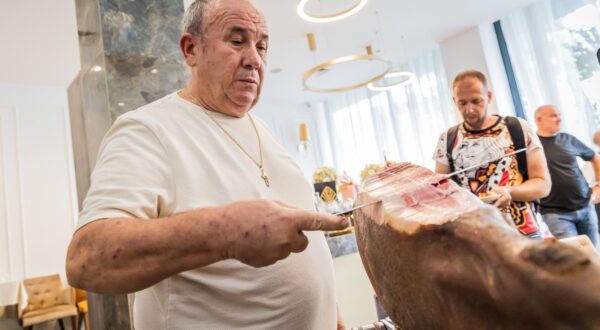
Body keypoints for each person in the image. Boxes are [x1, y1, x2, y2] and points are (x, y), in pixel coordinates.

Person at [65, 0, 349, 329]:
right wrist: (226, 232)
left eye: (261, 46)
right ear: (191, 50)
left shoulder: (263, 129)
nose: (254, 59)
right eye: (237, 40)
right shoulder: (148, 130)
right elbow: (86, 259)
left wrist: (331, 311)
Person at [433, 70, 551, 239]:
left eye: (476, 101)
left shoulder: (518, 127)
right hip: (476, 238)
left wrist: (509, 191)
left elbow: (543, 185)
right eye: (462, 103)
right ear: (454, 101)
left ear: (488, 96)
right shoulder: (447, 139)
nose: (470, 109)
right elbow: (441, 192)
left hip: (523, 232)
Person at [535, 105, 600, 247]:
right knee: (578, 257)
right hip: (556, 215)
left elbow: (595, 157)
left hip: (585, 207)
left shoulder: (568, 139)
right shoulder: (533, 146)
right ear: (539, 120)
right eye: (553, 115)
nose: (559, 119)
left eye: (559, 114)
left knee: (595, 253)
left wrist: (598, 186)